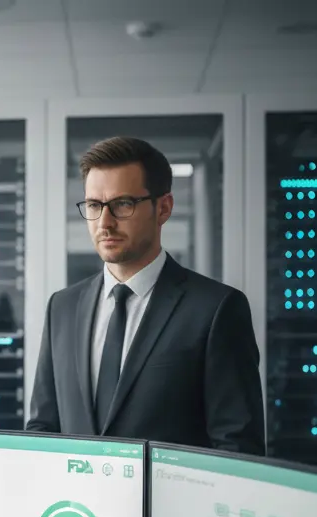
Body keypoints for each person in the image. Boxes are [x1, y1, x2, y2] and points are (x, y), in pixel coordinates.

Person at [26, 136, 265, 455]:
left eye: (122, 204)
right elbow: (43, 430)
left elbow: (238, 449)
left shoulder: (216, 309)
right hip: (79, 506)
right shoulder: (63, 307)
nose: (104, 223)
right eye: (94, 206)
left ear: (163, 208)